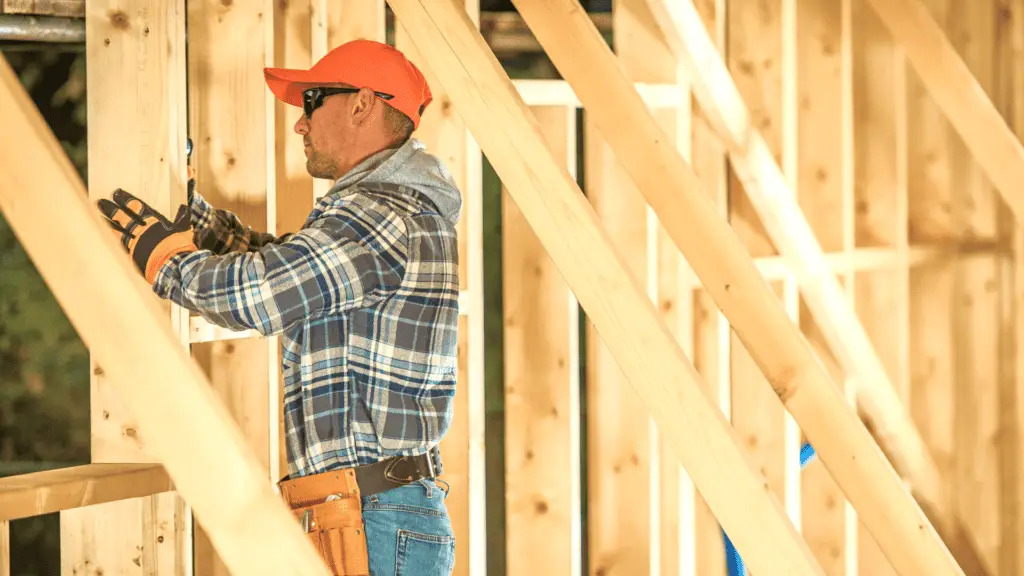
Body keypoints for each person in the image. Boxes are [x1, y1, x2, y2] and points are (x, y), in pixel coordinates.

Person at [95, 39, 462, 575]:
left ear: (361, 104)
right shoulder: (384, 214)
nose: (300, 123)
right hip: (368, 509)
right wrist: (199, 224)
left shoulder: (381, 214)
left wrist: (167, 263)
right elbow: (294, 269)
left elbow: (261, 295)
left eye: (312, 100)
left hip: (371, 513)